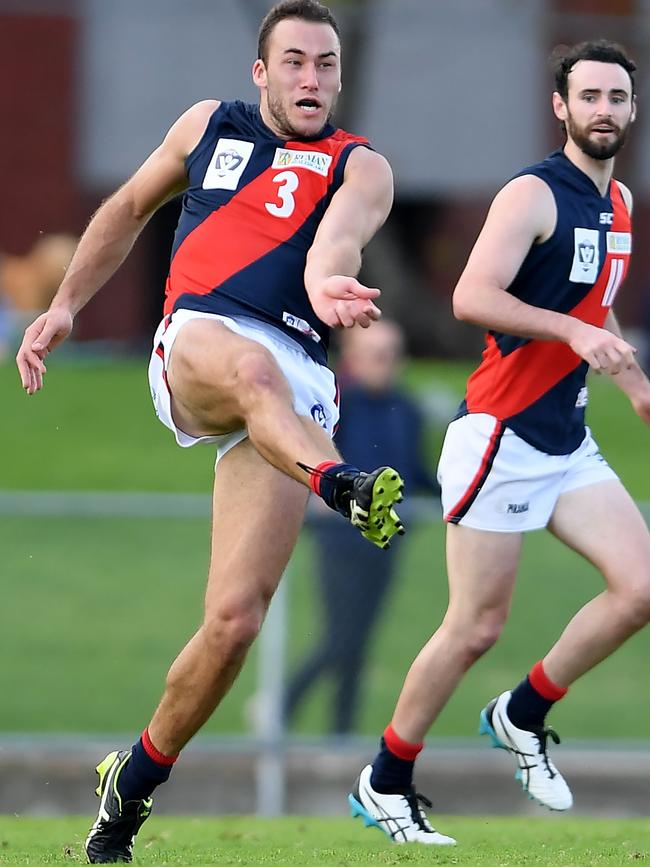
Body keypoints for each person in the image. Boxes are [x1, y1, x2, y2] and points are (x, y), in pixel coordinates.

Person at [15, 1, 406, 861]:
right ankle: (341, 484)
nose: (313, 80)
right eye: (295, 63)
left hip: (293, 384)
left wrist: (331, 281)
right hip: (199, 343)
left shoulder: (360, 166)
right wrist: (66, 306)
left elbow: (329, 246)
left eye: (327, 66)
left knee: (233, 623)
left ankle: (131, 784)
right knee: (254, 373)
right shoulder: (207, 125)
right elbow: (123, 210)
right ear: (261, 73)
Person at [350, 39, 650, 846]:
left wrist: (634, 382)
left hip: (566, 441)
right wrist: (572, 333)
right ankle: (386, 777)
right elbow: (471, 295)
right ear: (561, 107)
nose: (604, 111)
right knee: (476, 625)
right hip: (500, 437)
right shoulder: (531, 193)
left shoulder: (618, 203)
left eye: (618, 98)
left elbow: (595, 305)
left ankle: (522, 711)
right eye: (589, 96)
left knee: (643, 587)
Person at [284, 319, 439, 734]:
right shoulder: (338, 406)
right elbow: (313, 461)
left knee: (359, 642)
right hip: (339, 536)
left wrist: (456, 495)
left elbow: (416, 470)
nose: (386, 364)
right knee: (340, 637)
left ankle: (341, 731)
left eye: (392, 354)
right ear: (354, 357)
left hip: (385, 540)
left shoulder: (406, 409)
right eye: (376, 354)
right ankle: (282, 705)